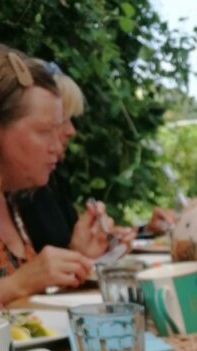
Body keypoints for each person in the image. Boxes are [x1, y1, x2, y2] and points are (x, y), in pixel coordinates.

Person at [0, 45, 92, 304]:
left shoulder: (7, 194)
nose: (57, 144)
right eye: (43, 131)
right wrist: (18, 284)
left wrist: (76, 256)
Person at [17, 69, 139, 258]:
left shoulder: (51, 179)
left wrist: (102, 246)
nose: (72, 131)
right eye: (62, 120)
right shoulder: (22, 188)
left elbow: (68, 254)